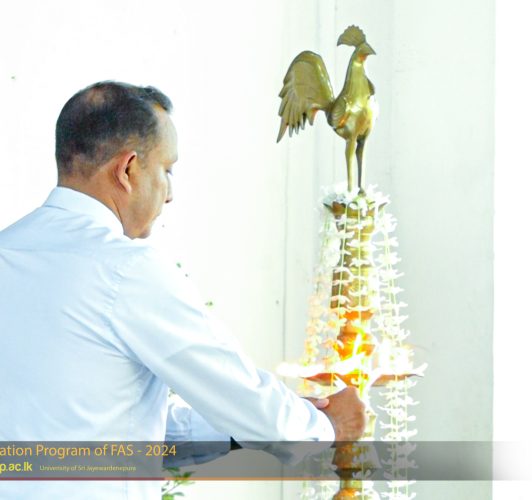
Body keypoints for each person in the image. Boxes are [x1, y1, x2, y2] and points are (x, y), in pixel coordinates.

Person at [0, 81, 366, 499]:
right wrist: (325, 426)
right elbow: (250, 404)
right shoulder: (126, 269)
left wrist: (248, 423)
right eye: (167, 170)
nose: (170, 194)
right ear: (127, 169)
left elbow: (122, 422)